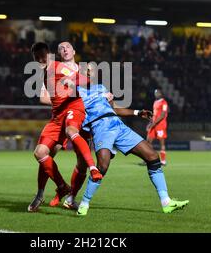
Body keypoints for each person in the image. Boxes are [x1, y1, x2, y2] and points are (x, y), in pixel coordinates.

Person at [76, 64, 189, 216]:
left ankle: (166, 202)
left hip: (118, 125)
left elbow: (114, 109)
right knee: (102, 167)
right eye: (86, 70)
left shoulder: (101, 88)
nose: (89, 72)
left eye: (92, 70)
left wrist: (137, 112)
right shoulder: (76, 92)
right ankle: (84, 203)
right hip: (101, 127)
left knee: (153, 157)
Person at [28, 42, 102, 212]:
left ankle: (73, 193)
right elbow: (44, 97)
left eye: (43, 55)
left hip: (75, 112)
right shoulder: (45, 72)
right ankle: (52, 190)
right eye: (37, 56)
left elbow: (85, 79)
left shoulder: (60, 67)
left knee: (80, 161)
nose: (41, 58)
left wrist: (78, 81)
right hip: (58, 117)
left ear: (49, 54)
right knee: (42, 154)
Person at [146, 89, 169, 165]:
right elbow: (154, 114)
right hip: (154, 124)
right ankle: (148, 158)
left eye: (158, 93)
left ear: (161, 94)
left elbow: (162, 115)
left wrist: (154, 123)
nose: (156, 94)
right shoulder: (155, 102)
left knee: (161, 143)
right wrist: (150, 123)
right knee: (148, 141)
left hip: (160, 125)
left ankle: (163, 161)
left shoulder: (164, 103)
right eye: (155, 93)